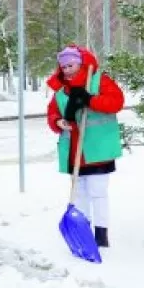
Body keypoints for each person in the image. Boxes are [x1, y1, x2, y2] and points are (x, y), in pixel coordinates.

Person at [46, 44, 125, 247]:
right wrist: (58, 122)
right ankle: (83, 231)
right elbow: (53, 112)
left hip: (98, 150)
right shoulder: (62, 91)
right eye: (63, 67)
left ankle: (101, 235)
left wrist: (90, 100)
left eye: (70, 65)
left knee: (98, 192)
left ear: (80, 64)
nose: (66, 70)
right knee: (79, 193)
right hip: (74, 152)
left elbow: (116, 102)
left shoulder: (98, 80)